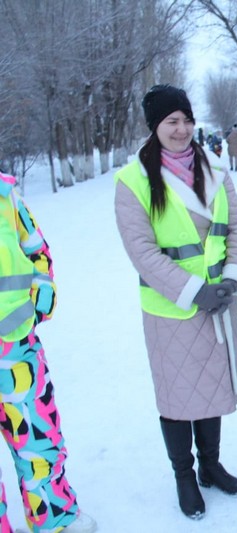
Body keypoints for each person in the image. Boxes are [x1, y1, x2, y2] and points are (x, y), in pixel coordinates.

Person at [114, 84, 237, 520]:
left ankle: (211, 466)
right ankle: (184, 476)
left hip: (220, 302)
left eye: (187, 120)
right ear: (154, 126)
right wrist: (195, 292)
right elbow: (142, 251)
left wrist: (232, 278)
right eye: (171, 121)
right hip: (172, 309)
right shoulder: (133, 180)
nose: (182, 129)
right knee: (178, 397)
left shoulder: (214, 168)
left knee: (210, 389)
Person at [0, 172, 97, 532]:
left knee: (41, 442)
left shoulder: (5, 195)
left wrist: (38, 301)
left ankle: (56, 519)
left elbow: (36, 250)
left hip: (15, 345)